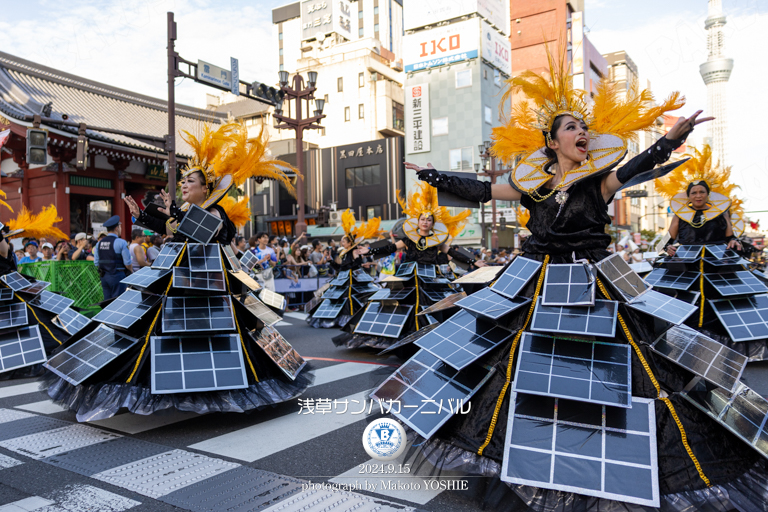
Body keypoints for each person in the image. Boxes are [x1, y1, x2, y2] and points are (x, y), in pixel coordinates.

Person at [368, 49, 760, 511]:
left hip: (593, 282)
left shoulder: (600, 183)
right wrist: (432, 174)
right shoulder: (531, 186)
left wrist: (669, 141)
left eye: (584, 127)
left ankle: (600, 457)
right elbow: (480, 188)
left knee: (604, 369)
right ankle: (520, 449)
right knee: (516, 366)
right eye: (572, 127)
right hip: (535, 282)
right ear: (552, 141)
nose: (583, 133)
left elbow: (633, 170)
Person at [49, 122, 311, 420]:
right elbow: (176, 230)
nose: (183, 185)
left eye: (190, 182)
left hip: (210, 292)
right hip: (183, 284)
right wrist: (144, 216)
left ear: (206, 189)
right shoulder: (190, 213)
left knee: (211, 341)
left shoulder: (214, 213)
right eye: (183, 180)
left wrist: (170, 214)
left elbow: (199, 233)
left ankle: (215, 386)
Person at [336, 183, 479, 350]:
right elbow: (390, 248)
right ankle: (406, 336)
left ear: (433, 223)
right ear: (417, 222)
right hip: (409, 279)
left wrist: (473, 261)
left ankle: (432, 336)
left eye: (429, 219)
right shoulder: (408, 239)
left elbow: (454, 252)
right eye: (423, 219)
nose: (425, 222)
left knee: (433, 306)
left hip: (431, 280)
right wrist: (370, 250)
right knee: (402, 307)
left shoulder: (438, 241)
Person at [307, 209, 384, 328]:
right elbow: (340, 268)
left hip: (354, 282)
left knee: (352, 298)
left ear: (349, 243)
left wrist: (356, 257)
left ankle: (351, 317)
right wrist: (331, 261)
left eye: (344, 241)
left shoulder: (354, 252)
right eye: (342, 241)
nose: (342, 243)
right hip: (343, 280)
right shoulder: (343, 253)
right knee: (333, 296)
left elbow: (356, 265)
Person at [93, 215, 131, 300]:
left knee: (107, 302)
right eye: (120, 227)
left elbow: (96, 262)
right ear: (117, 228)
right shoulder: (121, 242)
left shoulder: (99, 243)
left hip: (104, 276)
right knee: (118, 301)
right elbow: (127, 263)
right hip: (117, 275)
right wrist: (131, 272)